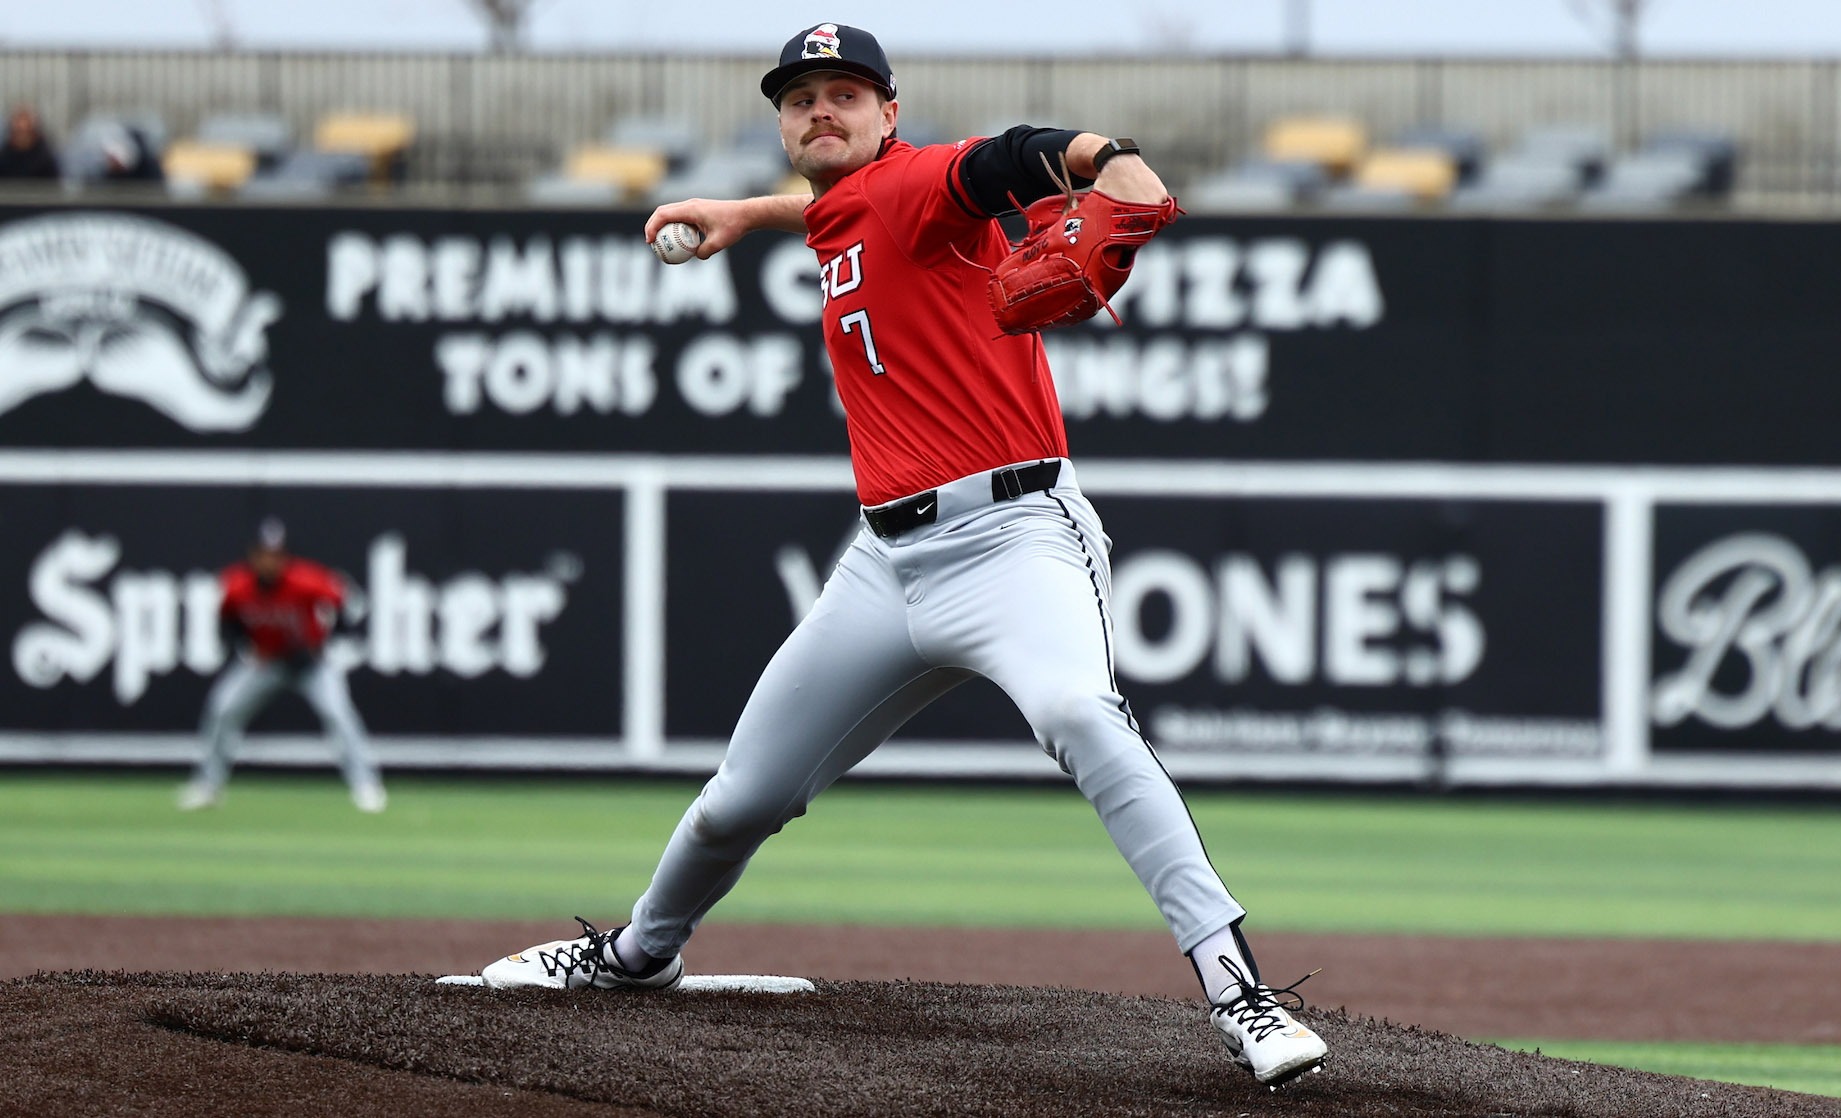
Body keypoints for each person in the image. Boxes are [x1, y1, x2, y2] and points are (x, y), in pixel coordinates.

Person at [477, 22, 1327, 1088]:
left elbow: (1015, 154)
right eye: (798, 99)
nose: (819, 112)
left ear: (889, 111)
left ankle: (1237, 989)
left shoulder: (925, 183)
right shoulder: (847, 211)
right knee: (742, 795)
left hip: (1015, 539)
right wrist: (746, 211)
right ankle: (639, 955)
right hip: (885, 566)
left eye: (844, 94)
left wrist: (1109, 165)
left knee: (1077, 715)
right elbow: (843, 213)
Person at [178, 519, 386, 814]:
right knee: (222, 708)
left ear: (285, 557)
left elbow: (346, 604)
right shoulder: (237, 585)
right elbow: (228, 620)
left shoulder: (306, 580)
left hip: (311, 666)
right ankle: (208, 786)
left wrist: (322, 645)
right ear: (253, 556)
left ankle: (366, 786)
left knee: (338, 714)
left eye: (276, 554)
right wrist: (244, 645)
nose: (269, 561)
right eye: (263, 554)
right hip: (267, 662)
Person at [0, 104, 59, 179]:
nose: (22, 137)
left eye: (26, 132)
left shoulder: (45, 161)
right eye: (19, 131)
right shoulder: (3, 159)